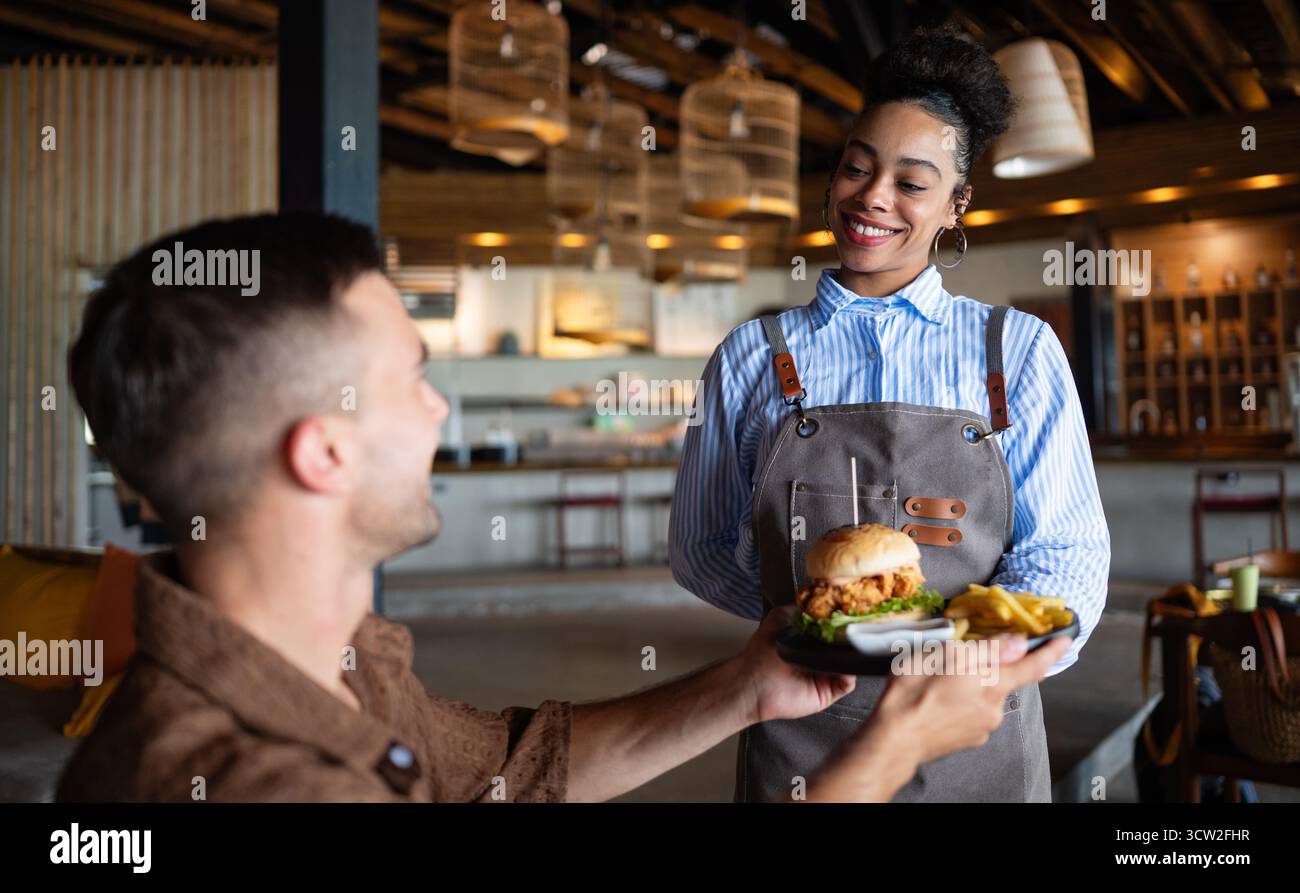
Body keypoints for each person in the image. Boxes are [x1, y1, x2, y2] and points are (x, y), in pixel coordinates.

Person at [57, 212, 1068, 803]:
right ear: (322, 451)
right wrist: (892, 745)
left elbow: (507, 767)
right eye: (412, 375)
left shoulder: (329, 664)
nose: (439, 407)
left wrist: (744, 687)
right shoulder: (248, 778)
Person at [669, 27, 1111, 803]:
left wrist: (962, 656)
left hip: (982, 734)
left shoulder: (1019, 352)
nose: (873, 197)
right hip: (803, 735)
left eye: (912, 182)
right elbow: (701, 546)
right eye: (857, 167)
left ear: (956, 204)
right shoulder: (750, 356)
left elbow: (1069, 557)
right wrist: (821, 622)